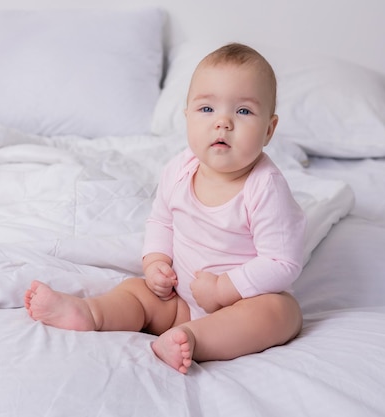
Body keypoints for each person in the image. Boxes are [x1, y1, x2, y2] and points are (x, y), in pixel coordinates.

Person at [24, 42, 306, 374]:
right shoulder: (180, 169)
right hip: (180, 303)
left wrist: (224, 288)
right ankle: (90, 313)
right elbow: (161, 220)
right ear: (186, 117)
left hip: (241, 303)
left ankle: (190, 340)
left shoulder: (265, 186)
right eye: (206, 109)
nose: (223, 123)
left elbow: (282, 262)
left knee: (281, 313)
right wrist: (156, 261)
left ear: (269, 130)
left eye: (243, 111)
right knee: (136, 290)